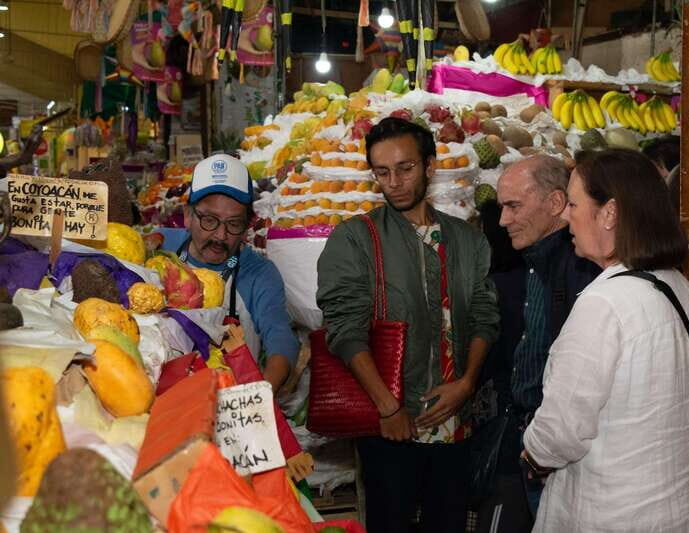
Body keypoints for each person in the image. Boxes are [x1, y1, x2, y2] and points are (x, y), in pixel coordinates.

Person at [316, 117, 499, 533]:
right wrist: (388, 407)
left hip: (455, 426)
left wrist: (468, 383)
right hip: (391, 427)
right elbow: (344, 328)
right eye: (382, 172)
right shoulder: (355, 239)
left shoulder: (467, 240)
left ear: (430, 166)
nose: (393, 182)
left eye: (405, 168)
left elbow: (486, 317)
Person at [522, 148, 689, 532]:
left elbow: (561, 430)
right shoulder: (675, 284)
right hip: (679, 507)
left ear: (608, 213)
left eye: (573, 203)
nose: (564, 215)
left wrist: (532, 457)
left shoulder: (603, 303)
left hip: (613, 512)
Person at [477, 156, 597, 531]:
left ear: (556, 203)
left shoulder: (580, 269)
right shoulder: (532, 262)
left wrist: (543, 450)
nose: (502, 220)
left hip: (558, 456)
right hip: (530, 444)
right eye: (502, 207)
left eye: (514, 206)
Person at [163, 154, 299, 391]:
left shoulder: (259, 274)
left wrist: (260, 399)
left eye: (234, 224)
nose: (220, 236)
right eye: (209, 220)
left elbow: (281, 340)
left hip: (232, 407)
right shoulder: (160, 250)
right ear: (187, 215)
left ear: (247, 225)